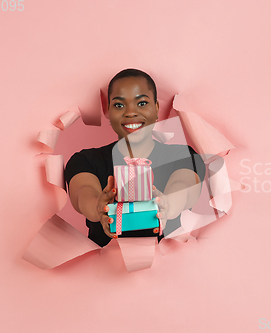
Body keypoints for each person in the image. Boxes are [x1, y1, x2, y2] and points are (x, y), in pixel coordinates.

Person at [64, 69, 206, 247]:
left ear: (156, 108)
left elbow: (184, 189)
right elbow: (82, 193)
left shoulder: (184, 157)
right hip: (104, 272)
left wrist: (168, 205)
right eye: (119, 105)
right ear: (108, 111)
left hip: (171, 271)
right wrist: (98, 208)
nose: (130, 113)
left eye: (142, 103)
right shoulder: (85, 160)